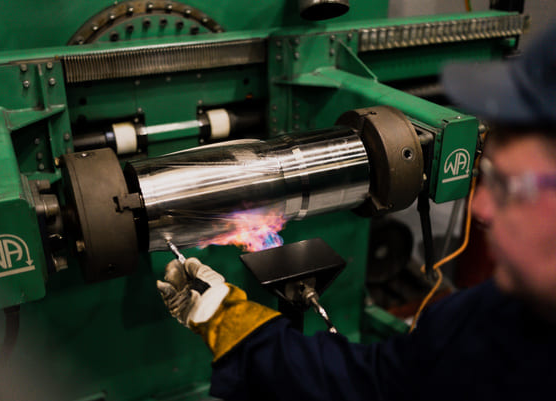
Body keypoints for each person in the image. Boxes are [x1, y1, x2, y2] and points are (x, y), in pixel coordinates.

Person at [157, 23, 556, 401]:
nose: (482, 207)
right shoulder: (489, 317)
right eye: (487, 176)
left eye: (509, 187)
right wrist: (230, 322)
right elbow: (374, 384)